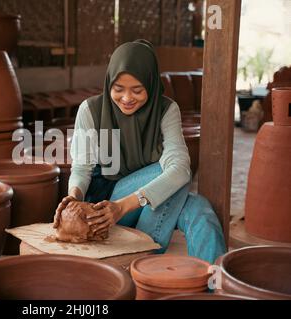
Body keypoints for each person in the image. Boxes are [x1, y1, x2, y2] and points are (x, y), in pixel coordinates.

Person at [53, 39, 226, 264]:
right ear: (108, 84)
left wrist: (124, 206)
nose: (126, 98)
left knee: (201, 212)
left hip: (135, 204)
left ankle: (217, 287)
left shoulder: (166, 110)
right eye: (118, 89)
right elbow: (82, 167)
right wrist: (73, 198)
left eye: (137, 90)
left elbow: (180, 168)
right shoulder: (91, 110)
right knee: (175, 174)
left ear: (151, 85)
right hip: (105, 209)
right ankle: (143, 264)